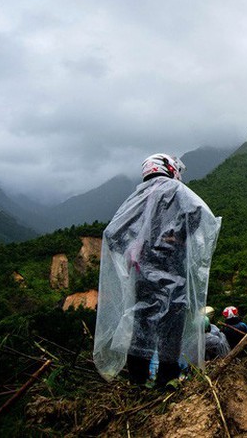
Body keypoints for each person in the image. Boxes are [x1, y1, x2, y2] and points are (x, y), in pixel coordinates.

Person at [93, 153, 221, 387]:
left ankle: (137, 383)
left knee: (141, 329)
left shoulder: (138, 197)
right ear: (170, 168)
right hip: (172, 278)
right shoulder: (175, 190)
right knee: (169, 333)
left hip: (143, 278)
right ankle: (166, 382)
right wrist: (180, 238)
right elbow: (201, 216)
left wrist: (131, 249)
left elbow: (112, 233)